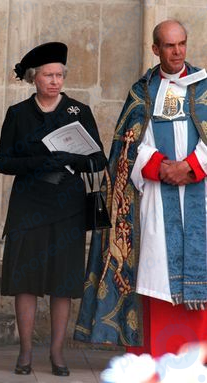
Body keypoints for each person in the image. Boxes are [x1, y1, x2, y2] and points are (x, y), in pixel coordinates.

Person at [74, 19, 207, 357]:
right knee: (156, 275)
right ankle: (157, 356)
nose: (177, 52)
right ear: (155, 49)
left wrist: (191, 167)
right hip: (156, 202)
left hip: (199, 196)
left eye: (182, 44)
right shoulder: (142, 92)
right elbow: (128, 147)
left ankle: (196, 360)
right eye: (169, 46)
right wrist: (161, 167)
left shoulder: (204, 88)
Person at [0, 42, 107, 375]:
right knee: (25, 280)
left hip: (68, 206)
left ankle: (57, 353)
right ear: (34, 77)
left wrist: (75, 158)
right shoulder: (18, 113)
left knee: (63, 282)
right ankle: (26, 352)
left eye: (59, 75)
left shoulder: (79, 111)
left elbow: (98, 158)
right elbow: (1, 160)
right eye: (48, 75)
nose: (55, 81)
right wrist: (38, 162)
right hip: (29, 205)